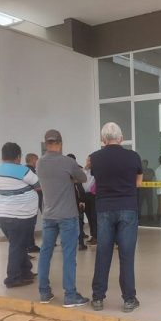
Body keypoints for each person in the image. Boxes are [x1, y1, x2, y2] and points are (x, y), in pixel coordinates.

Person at [88, 122, 143, 312]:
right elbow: (138, 182)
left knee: (103, 253)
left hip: (104, 208)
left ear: (103, 139)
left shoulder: (94, 157)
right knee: (126, 255)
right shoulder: (133, 156)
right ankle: (129, 299)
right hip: (128, 207)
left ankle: (98, 298)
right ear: (121, 138)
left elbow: (95, 178)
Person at [36, 129, 89, 307]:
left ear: (46, 144)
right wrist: (71, 179)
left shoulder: (39, 163)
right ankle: (70, 295)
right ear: (60, 143)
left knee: (45, 253)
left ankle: (44, 292)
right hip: (67, 216)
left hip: (48, 216)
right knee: (68, 255)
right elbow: (83, 178)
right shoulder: (67, 162)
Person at [0, 142, 40, 288]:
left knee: (18, 244)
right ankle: (13, 278)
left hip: (2, 215)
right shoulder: (22, 170)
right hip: (20, 215)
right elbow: (39, 185)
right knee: (17, 245)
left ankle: (26, 272)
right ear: (18, 156)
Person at [67, 154, 88, 250]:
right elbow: (80, 187)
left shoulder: (62, 170)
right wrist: (82, 200)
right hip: (74, 202)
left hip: (64, 204)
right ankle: (80, 243)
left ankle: (67, 243)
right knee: (78, 223)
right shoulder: (76, 170)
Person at [25, 153, 42, 253]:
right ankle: (30, 246)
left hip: (30, 202)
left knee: (31, 224)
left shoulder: (28, 170)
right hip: (30, 202)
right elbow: (36, 186)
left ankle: (31, 244)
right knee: (30, 224)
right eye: (37, 159)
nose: (38, 161)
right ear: (32, 160)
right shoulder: (29, 171)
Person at [83, 156, 97, 245]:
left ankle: (96, 236)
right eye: (87, 160)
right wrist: (85, 170)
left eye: (89, 160)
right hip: (85, 195)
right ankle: (92, 235)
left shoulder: (96, 171)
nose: (88, 162)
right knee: (89, 216)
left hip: (94, 196)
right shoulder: (84, 171)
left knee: (94, 216)